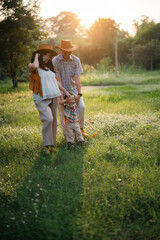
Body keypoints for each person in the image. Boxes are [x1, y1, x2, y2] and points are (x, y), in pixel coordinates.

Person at [28, 43, 70, 154]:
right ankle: (45, 145)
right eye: (47, 55)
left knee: (53, 121)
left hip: (54, 96)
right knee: (48, 119)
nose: (49, 58)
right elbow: (35, 67)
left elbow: (55, 82)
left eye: (50, 56)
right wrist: (36, 56)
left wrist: (66, 92)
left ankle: (51, 144)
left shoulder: (48, 68)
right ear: (41, 55)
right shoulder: (32, 66)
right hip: (41, 98)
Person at [52, 39, 89, 138]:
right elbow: (57, 80)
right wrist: (61, 98)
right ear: (61, 51)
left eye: (70, 51)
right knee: (63, 113)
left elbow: (77, 78)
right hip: (60, 90)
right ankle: (68, 135)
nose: (68, 53)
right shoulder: (55, 61)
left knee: (81, 107)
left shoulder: (76, 60)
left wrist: (79, 94)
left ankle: (81, 130)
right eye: (66, 51)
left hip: (73, 90)